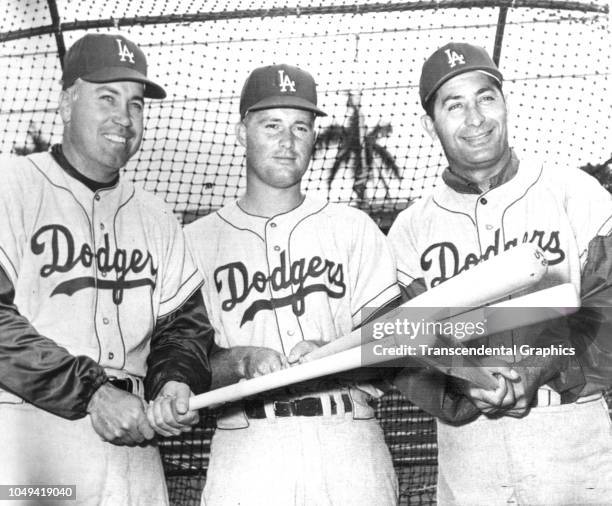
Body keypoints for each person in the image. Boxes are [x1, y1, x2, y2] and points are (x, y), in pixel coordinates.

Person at [388, 41, 612, 505]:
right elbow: (402, 346)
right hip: (470, 450)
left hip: (569, 434)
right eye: (455, 105)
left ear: (506, 104)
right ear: (429, 126)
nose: (475, 118)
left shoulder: (574, 191)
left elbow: (608, 306)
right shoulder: (411, 228)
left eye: (485, 97)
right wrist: (463, 382)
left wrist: (536, 368)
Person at [0, 33, 215, 505]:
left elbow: (184, 330)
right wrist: (93, 393)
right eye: (107, 97)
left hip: (135, 444)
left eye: (136, 104)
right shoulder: (11, 185)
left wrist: (174, 383)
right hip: (33, 436)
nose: (124, 117)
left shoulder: (157, 217)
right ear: (66, 103)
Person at [185, 64, 399, 506]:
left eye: (301, 127)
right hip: (246, 449)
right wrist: (242, 360)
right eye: (272, 125)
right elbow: (182, 364)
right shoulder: (195, 242)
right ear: (242, 133)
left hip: (348, 441)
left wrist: (333, 354)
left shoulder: (353, 227)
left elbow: (395, 346)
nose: (288, 141)